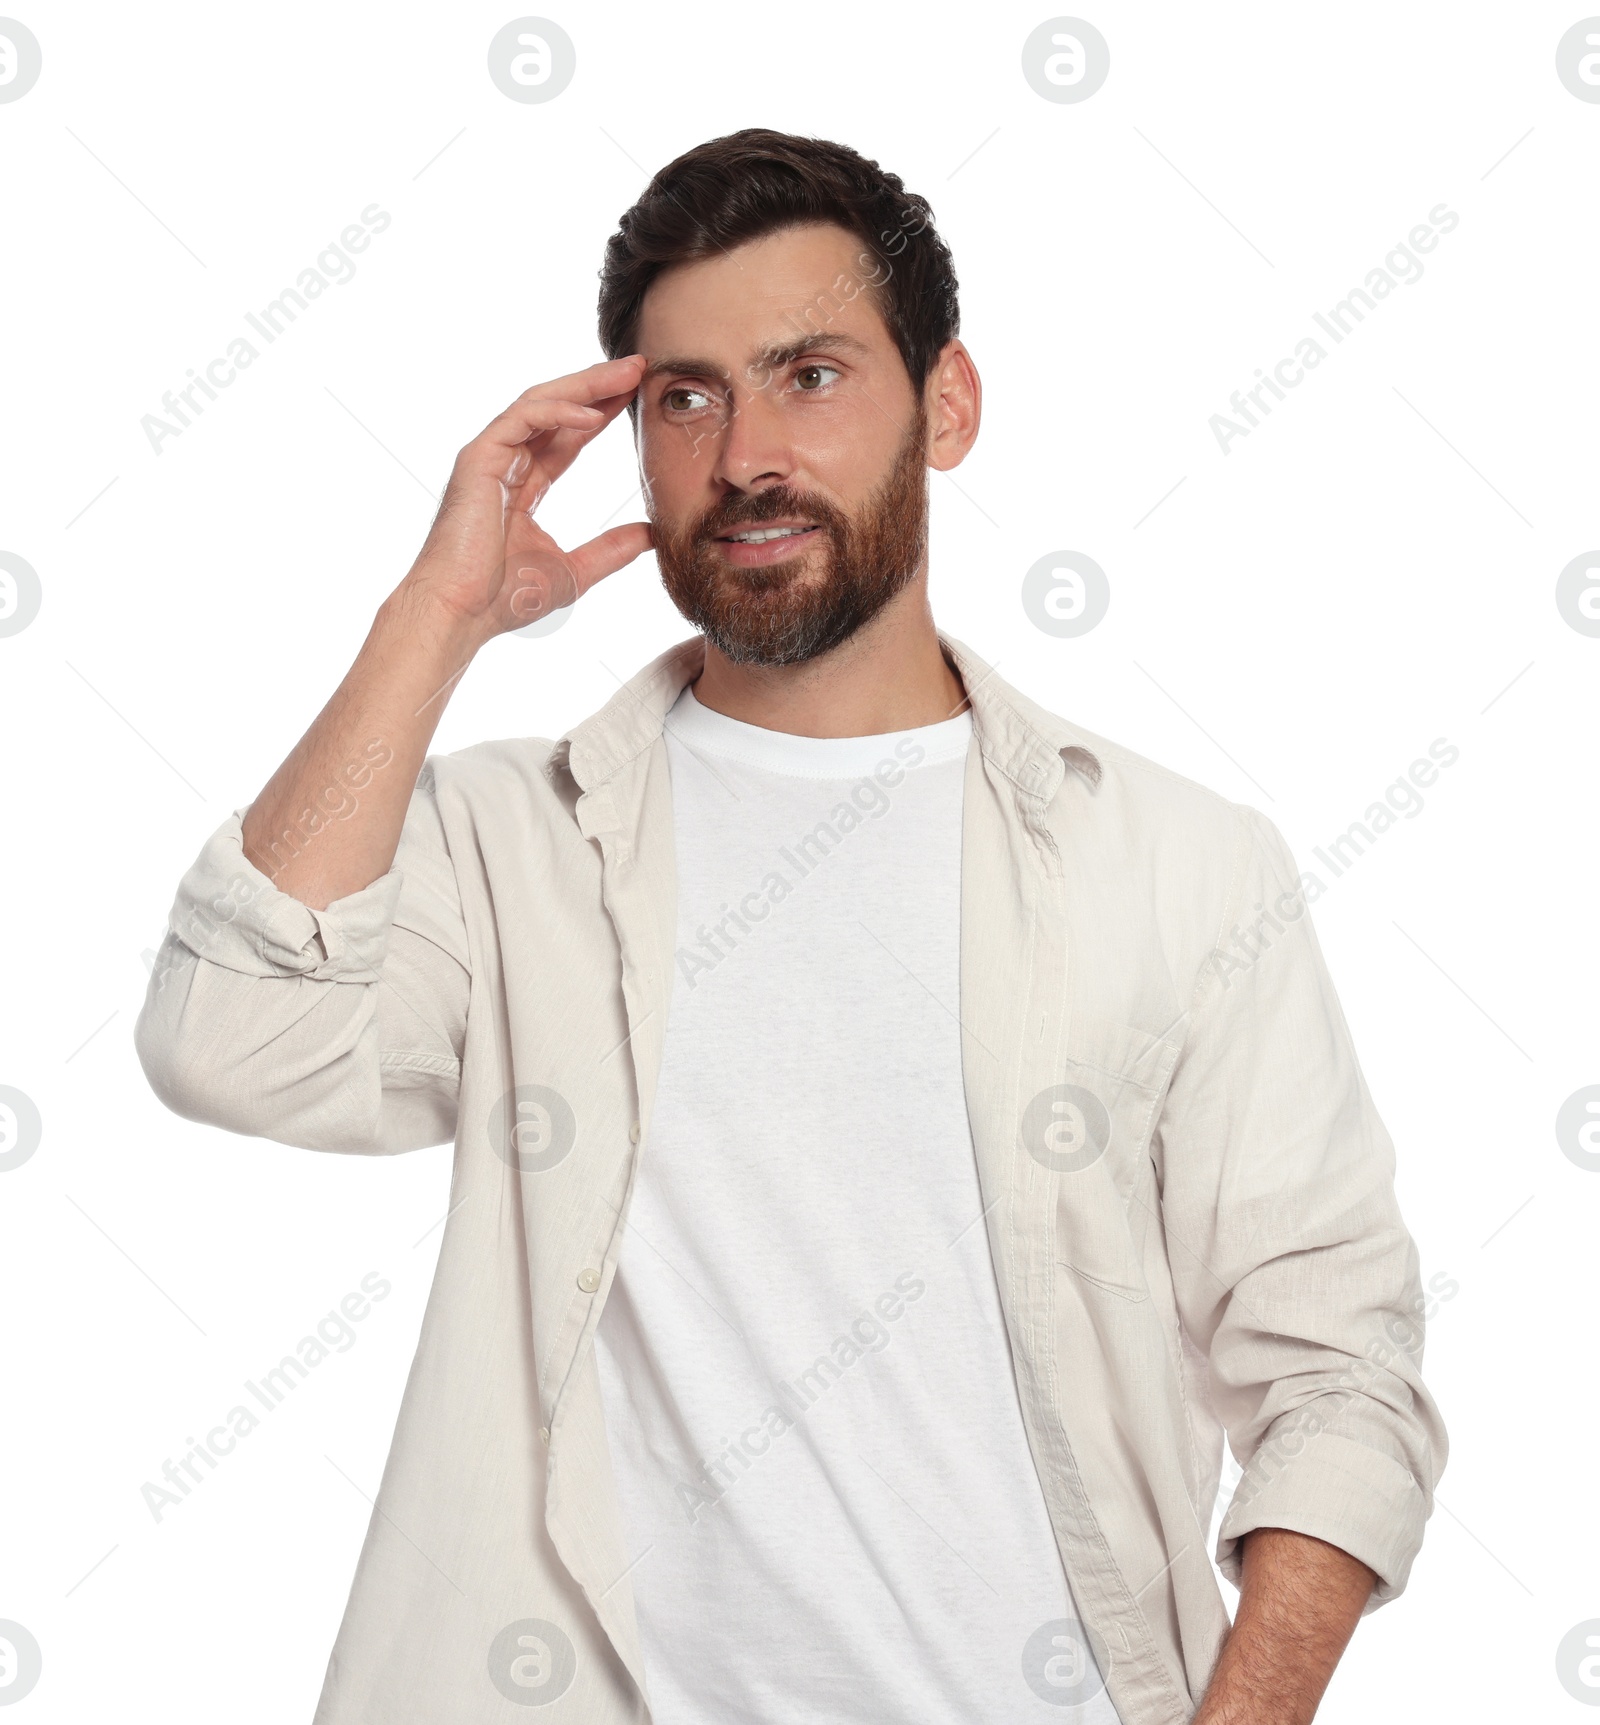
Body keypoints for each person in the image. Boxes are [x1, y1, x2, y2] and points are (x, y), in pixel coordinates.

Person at [135, 128, 1447, 1725]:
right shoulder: (509, 842)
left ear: (943, 406)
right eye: (687, 398)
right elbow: (231, 1041)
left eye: (809, 375)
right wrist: (435, 620)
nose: (744, 451)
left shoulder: (1175, 866)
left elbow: (1337, 1371)